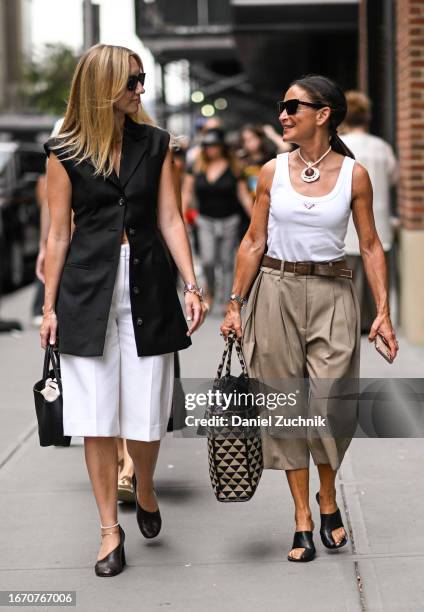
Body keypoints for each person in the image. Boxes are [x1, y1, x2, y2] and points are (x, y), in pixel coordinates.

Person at [40, 43, 205, 577]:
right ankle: (110, 531)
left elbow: (171, 219)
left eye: (142, 79)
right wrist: (48, 308)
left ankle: (147, 484)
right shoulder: (64, 151)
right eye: (132, 80)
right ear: (103, 85)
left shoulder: (157, 145)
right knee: (95, 421)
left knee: (146, 415)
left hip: (148, 286)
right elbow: (59, 233)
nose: (140, 89)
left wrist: (193, 284)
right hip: (87, 293)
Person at [221, 75, 399, 563]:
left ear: (323, 114)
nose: (283, 114)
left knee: (332, 403)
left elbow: (369, 244)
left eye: (292, 106)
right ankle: (303, 515)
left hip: (334, 292)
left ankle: (328, 494)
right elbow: (254, 241)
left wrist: (381, 312)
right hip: (274, 291)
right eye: (282, 106)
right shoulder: (270, 172)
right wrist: (235, 303)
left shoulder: (353, 175)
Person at [340, 91, 398, 332]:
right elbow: (394, 177)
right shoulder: (381, 147)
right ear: (367, 117)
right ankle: (378, 321)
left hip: (348, 228)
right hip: (380, 224)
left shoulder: (339, 146)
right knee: (379, 281)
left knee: (349, 287)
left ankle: (354, 324)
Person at [182, 128, 253, 313]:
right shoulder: (197, 166)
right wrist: (181, 214)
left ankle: (226, 300)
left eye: (214, 146)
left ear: (222, 147)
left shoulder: (235, 167)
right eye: (207, 146)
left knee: (228, 262)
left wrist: (256, 219)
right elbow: (187, 192)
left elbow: (244, 195)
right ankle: (211, 291)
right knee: (208, 260)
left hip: (230, 219)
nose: (210, 150)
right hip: (205, 220)